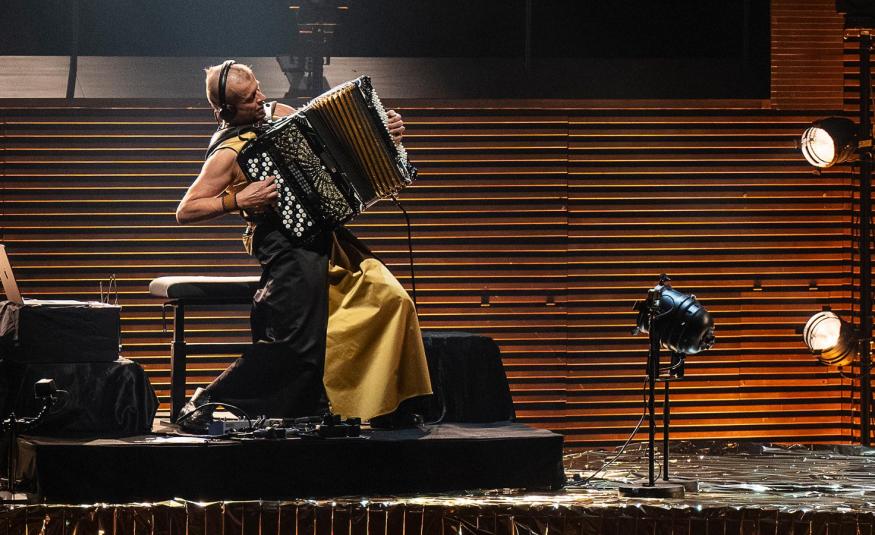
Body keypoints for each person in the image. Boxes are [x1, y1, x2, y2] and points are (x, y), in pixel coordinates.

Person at [175, 60, 432, 428]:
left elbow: (333, 147)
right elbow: (186, 210)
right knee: (297, 343)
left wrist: (382, 131)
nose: (261, 98)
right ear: (225, 110)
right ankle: (211, 399)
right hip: (285, 247)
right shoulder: (227, 153)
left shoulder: (280, 113)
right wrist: (237, 200)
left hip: (324, 236)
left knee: (392, 300)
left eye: (259, 89)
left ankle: (387, 405)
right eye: (249, 98)